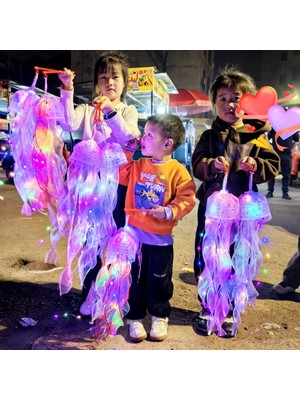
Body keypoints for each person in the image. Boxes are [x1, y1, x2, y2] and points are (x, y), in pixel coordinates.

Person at [192, 65, 280, 337]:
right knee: (207, 256)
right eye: (223, 98)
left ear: (248, 103)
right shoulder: (208, 135)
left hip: (242, 212)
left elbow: (273, 164)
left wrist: (256, 163)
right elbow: (196, 164)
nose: (230, 104)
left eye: (236, 98)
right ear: (214, 103)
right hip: (213, 210)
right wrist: (211, 165)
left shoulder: (257, 136)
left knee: (237, 258)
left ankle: (229, 308)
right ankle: (208, 305)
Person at [58, 51, 141, 314]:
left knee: (118, 239)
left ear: (125, 82)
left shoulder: (128, 110)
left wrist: (109, 111)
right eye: (103, 77)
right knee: (91, 240)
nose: (109, 82)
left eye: (115, 77)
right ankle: (91, 292)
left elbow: (129, 137)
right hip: (90, 186)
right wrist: (67, 88)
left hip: (118, 186)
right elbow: (67, 121)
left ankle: (116, 294)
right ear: (97, 82)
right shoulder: (86, 109)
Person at [119, 114, 196, 342]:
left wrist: (169, 211)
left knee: (159, 279)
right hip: (133, 236)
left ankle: (159, 315)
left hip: (160, 239)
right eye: (144, 133)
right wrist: (128, 149)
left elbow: (188, 198)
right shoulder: (138, 164)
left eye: (149, 135)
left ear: (167, 143)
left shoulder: (178, 171)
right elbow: (120, 173)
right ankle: (134, 317)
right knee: (132, 277)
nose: (143, 138)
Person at [265, 128, 299, 200]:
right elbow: (266, 138)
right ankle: (270, 191)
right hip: (275, 155)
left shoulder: (292, 128)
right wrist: (270, 146)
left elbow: (296, 140)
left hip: (286, 155)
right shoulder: (275, 127)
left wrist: (291, 148)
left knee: (286, 175)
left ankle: (285, 192)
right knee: (272, 173)